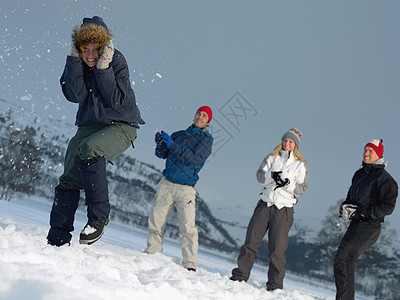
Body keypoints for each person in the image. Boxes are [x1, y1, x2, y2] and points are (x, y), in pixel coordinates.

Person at [46, 16, 144, 247]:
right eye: (85, 49)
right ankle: (57, 237)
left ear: (104, 48)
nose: (90, 54)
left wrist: (103, 68)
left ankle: (98, 219)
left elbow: (116, 99)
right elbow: (75, 95)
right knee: (70, 170)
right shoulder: (77, 61)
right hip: (88, 125)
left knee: (90, 148)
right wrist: (73, 61)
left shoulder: (116, 60)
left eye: (95, 49)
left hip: (121, 125)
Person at [230, 128, 309, 291]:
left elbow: (302, 188)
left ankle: (275, 285)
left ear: (296, 145)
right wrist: (271, 176)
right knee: (251, 241)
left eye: (291, 142)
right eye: (285, 140)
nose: (287, 144)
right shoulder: (271, 157)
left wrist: (287, 184)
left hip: (283, 210)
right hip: (265, 204)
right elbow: (259, 175)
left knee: (277, 250)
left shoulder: (300, 165)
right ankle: (240, 276)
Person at [144, 106, 214, 271]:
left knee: (187, 228)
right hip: (166, 183)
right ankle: (152, 252)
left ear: (208, 121)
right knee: (156, 221)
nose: (200, 117)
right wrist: (160, 145)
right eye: (198, 113)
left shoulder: (206, 141)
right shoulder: (179, 135)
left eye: (204, 116)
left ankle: (190, 263)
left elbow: (193, 159)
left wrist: (172, 145)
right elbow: (162, 154)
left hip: (186, 189)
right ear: (194, 115)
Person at [334, 139, 398, 300]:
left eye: (370, 151)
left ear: (378, 155)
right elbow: (351, 196)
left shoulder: (385, 179)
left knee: (344, 258)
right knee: (344, 260)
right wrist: (346, 207)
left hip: (370, 227)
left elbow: (388, 207)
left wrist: (361, 213)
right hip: (356, 225)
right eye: (365, 150)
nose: (366, 153)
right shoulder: (360, 174)